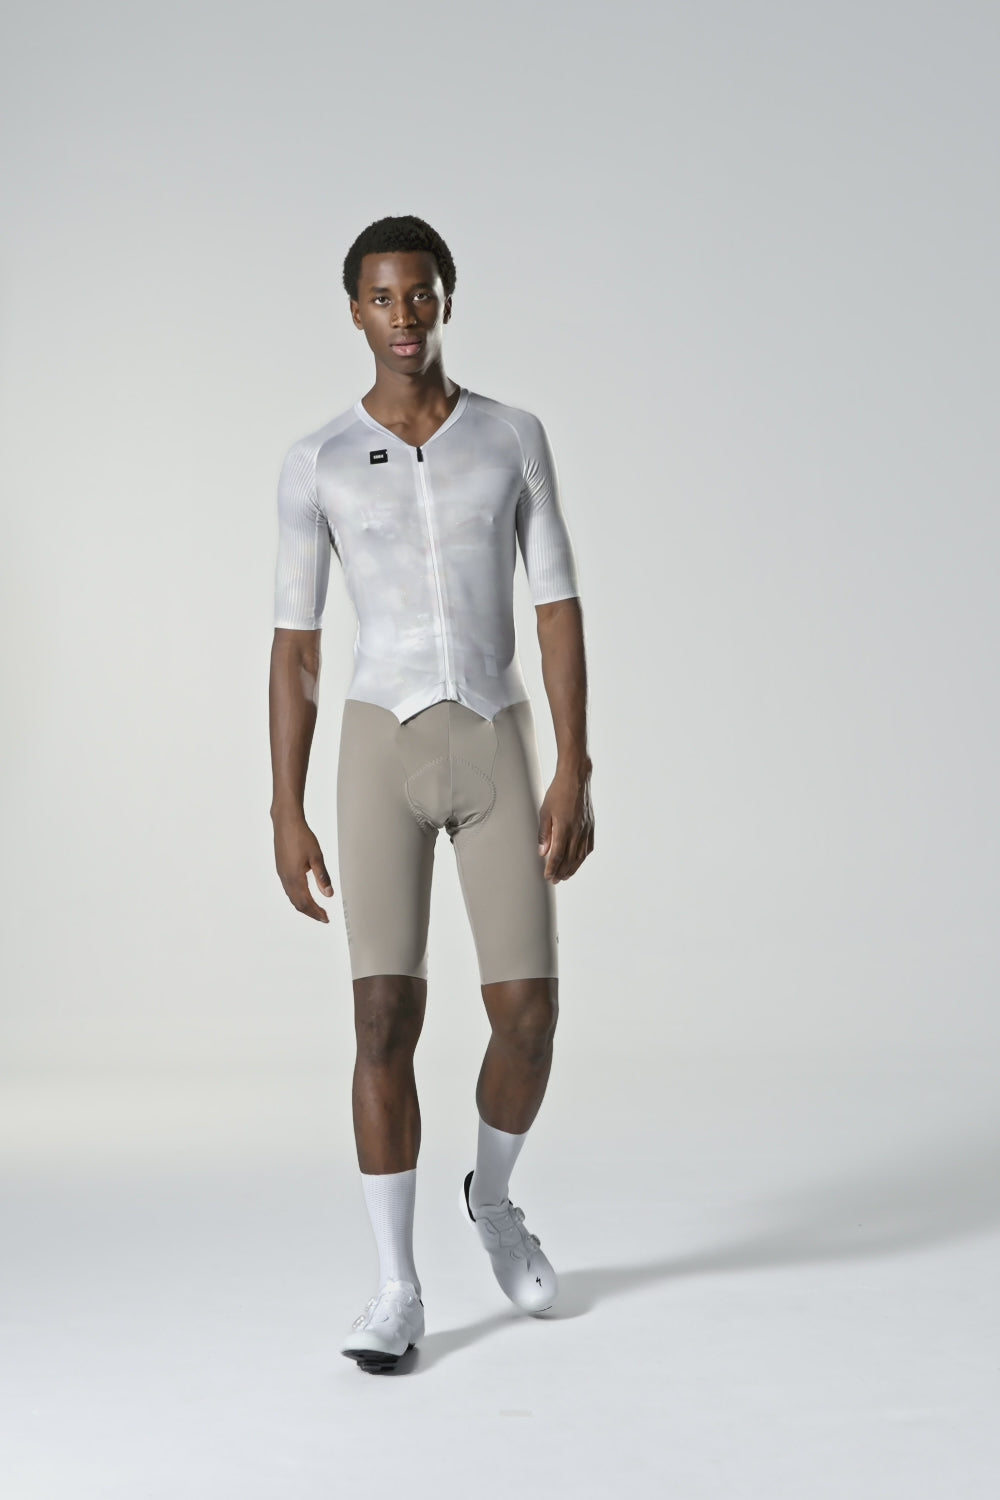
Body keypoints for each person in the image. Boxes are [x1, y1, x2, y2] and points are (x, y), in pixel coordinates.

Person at [268, 214, 594, 1373]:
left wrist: (575, 763)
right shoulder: (316, 458)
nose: (402, 317)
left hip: (494, 730)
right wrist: (285, 806)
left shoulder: (510, 436)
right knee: (380, 1022)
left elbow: (555, 605)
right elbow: (296, 643)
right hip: (379, 738)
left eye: (419, 294)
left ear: (445, 298)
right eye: (380, 297)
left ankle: (491, 1200)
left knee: (529, 1015)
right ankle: (396, 1288)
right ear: (353, 310)